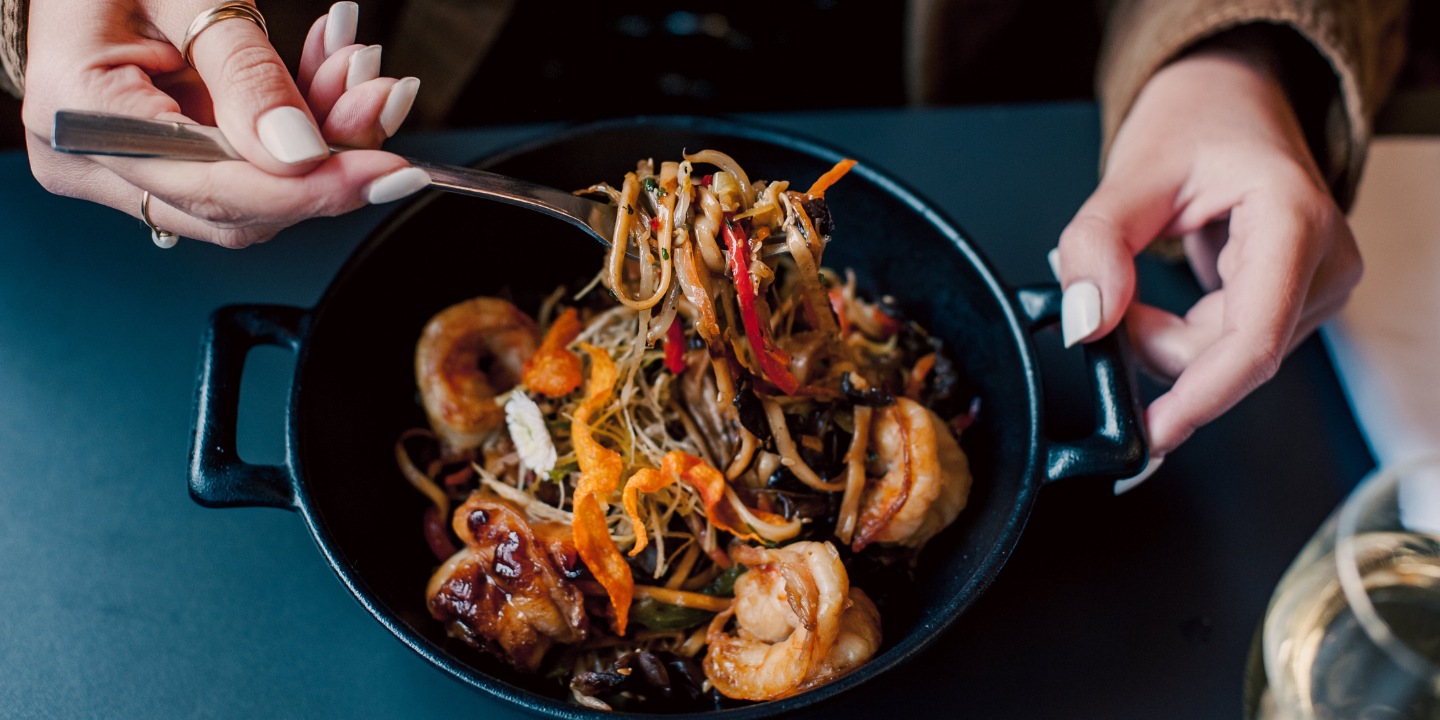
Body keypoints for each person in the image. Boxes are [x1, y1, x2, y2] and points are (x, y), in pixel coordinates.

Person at [0, 0, 1411, 459]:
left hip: (971, 97)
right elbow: (77, 46)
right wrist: (57, 34)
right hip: (455, 87)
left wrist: (1231, 57)